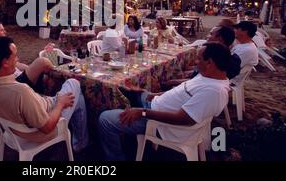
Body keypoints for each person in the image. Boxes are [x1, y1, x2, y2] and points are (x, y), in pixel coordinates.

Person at [98, 42, 231, 161]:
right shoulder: (209, 77)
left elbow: (183, 119)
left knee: (105, 119)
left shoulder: (214, 92)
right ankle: (126, 128)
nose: (196, 62)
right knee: (125, 88)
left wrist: (142, 113)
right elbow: (182, 91)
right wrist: (151, 95)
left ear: (210, 63)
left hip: (160, 124)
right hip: (154, 104)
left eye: (199, 58)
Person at [0, 37, 89, 152]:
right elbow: (47, 127)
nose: (17, 59)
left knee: (77, 98)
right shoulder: (20, 92)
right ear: (5, 63)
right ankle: (81, 142)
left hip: (14, 131)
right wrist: (60, 104)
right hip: (40, 133)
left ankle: (81, 141)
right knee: (73, 83)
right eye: (15, 56)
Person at [0, 21, 53, 94]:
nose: (5, 32)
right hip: (12, 83)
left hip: (18, 77)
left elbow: (17, 64)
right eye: (2, 30)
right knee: (42, 62)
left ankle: (42, 94)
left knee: (46, 76)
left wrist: (31, 69)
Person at [165, 27, 241, 88]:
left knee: (164, 77)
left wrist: (171, 82)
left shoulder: (215, 61)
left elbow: (195, 82)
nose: (207, 36)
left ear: (220, 39)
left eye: (211, 34)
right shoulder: (222, 55)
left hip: (191, 86)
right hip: (194, 81)